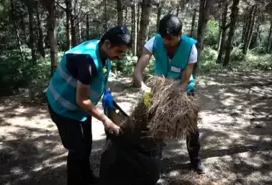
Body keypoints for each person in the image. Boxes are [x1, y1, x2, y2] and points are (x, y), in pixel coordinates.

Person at [46, 25, 132, 185]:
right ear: (107, 44)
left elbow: (99, 77)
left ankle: (87, 178)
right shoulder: (88, 61)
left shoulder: (102, 51)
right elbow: (82, 100)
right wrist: (106, 120)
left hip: (80, 111)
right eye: (119, 52)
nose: (120, 56)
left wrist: (106, 93)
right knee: (77, 150)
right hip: (63, 108)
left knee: (86, 145)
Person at [133, 14, 205, 174]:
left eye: (170, 39)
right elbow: (138, 71)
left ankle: (195, 160)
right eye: (163, 38)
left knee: (191, 127)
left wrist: (170, 99)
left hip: (184, 91)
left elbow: (185, 81)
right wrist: (143, 87)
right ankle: (154, 160)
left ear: (179, 34)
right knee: (154, 125)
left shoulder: (191, 48)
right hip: (159, 91)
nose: (166, 42)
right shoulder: (154, 42)